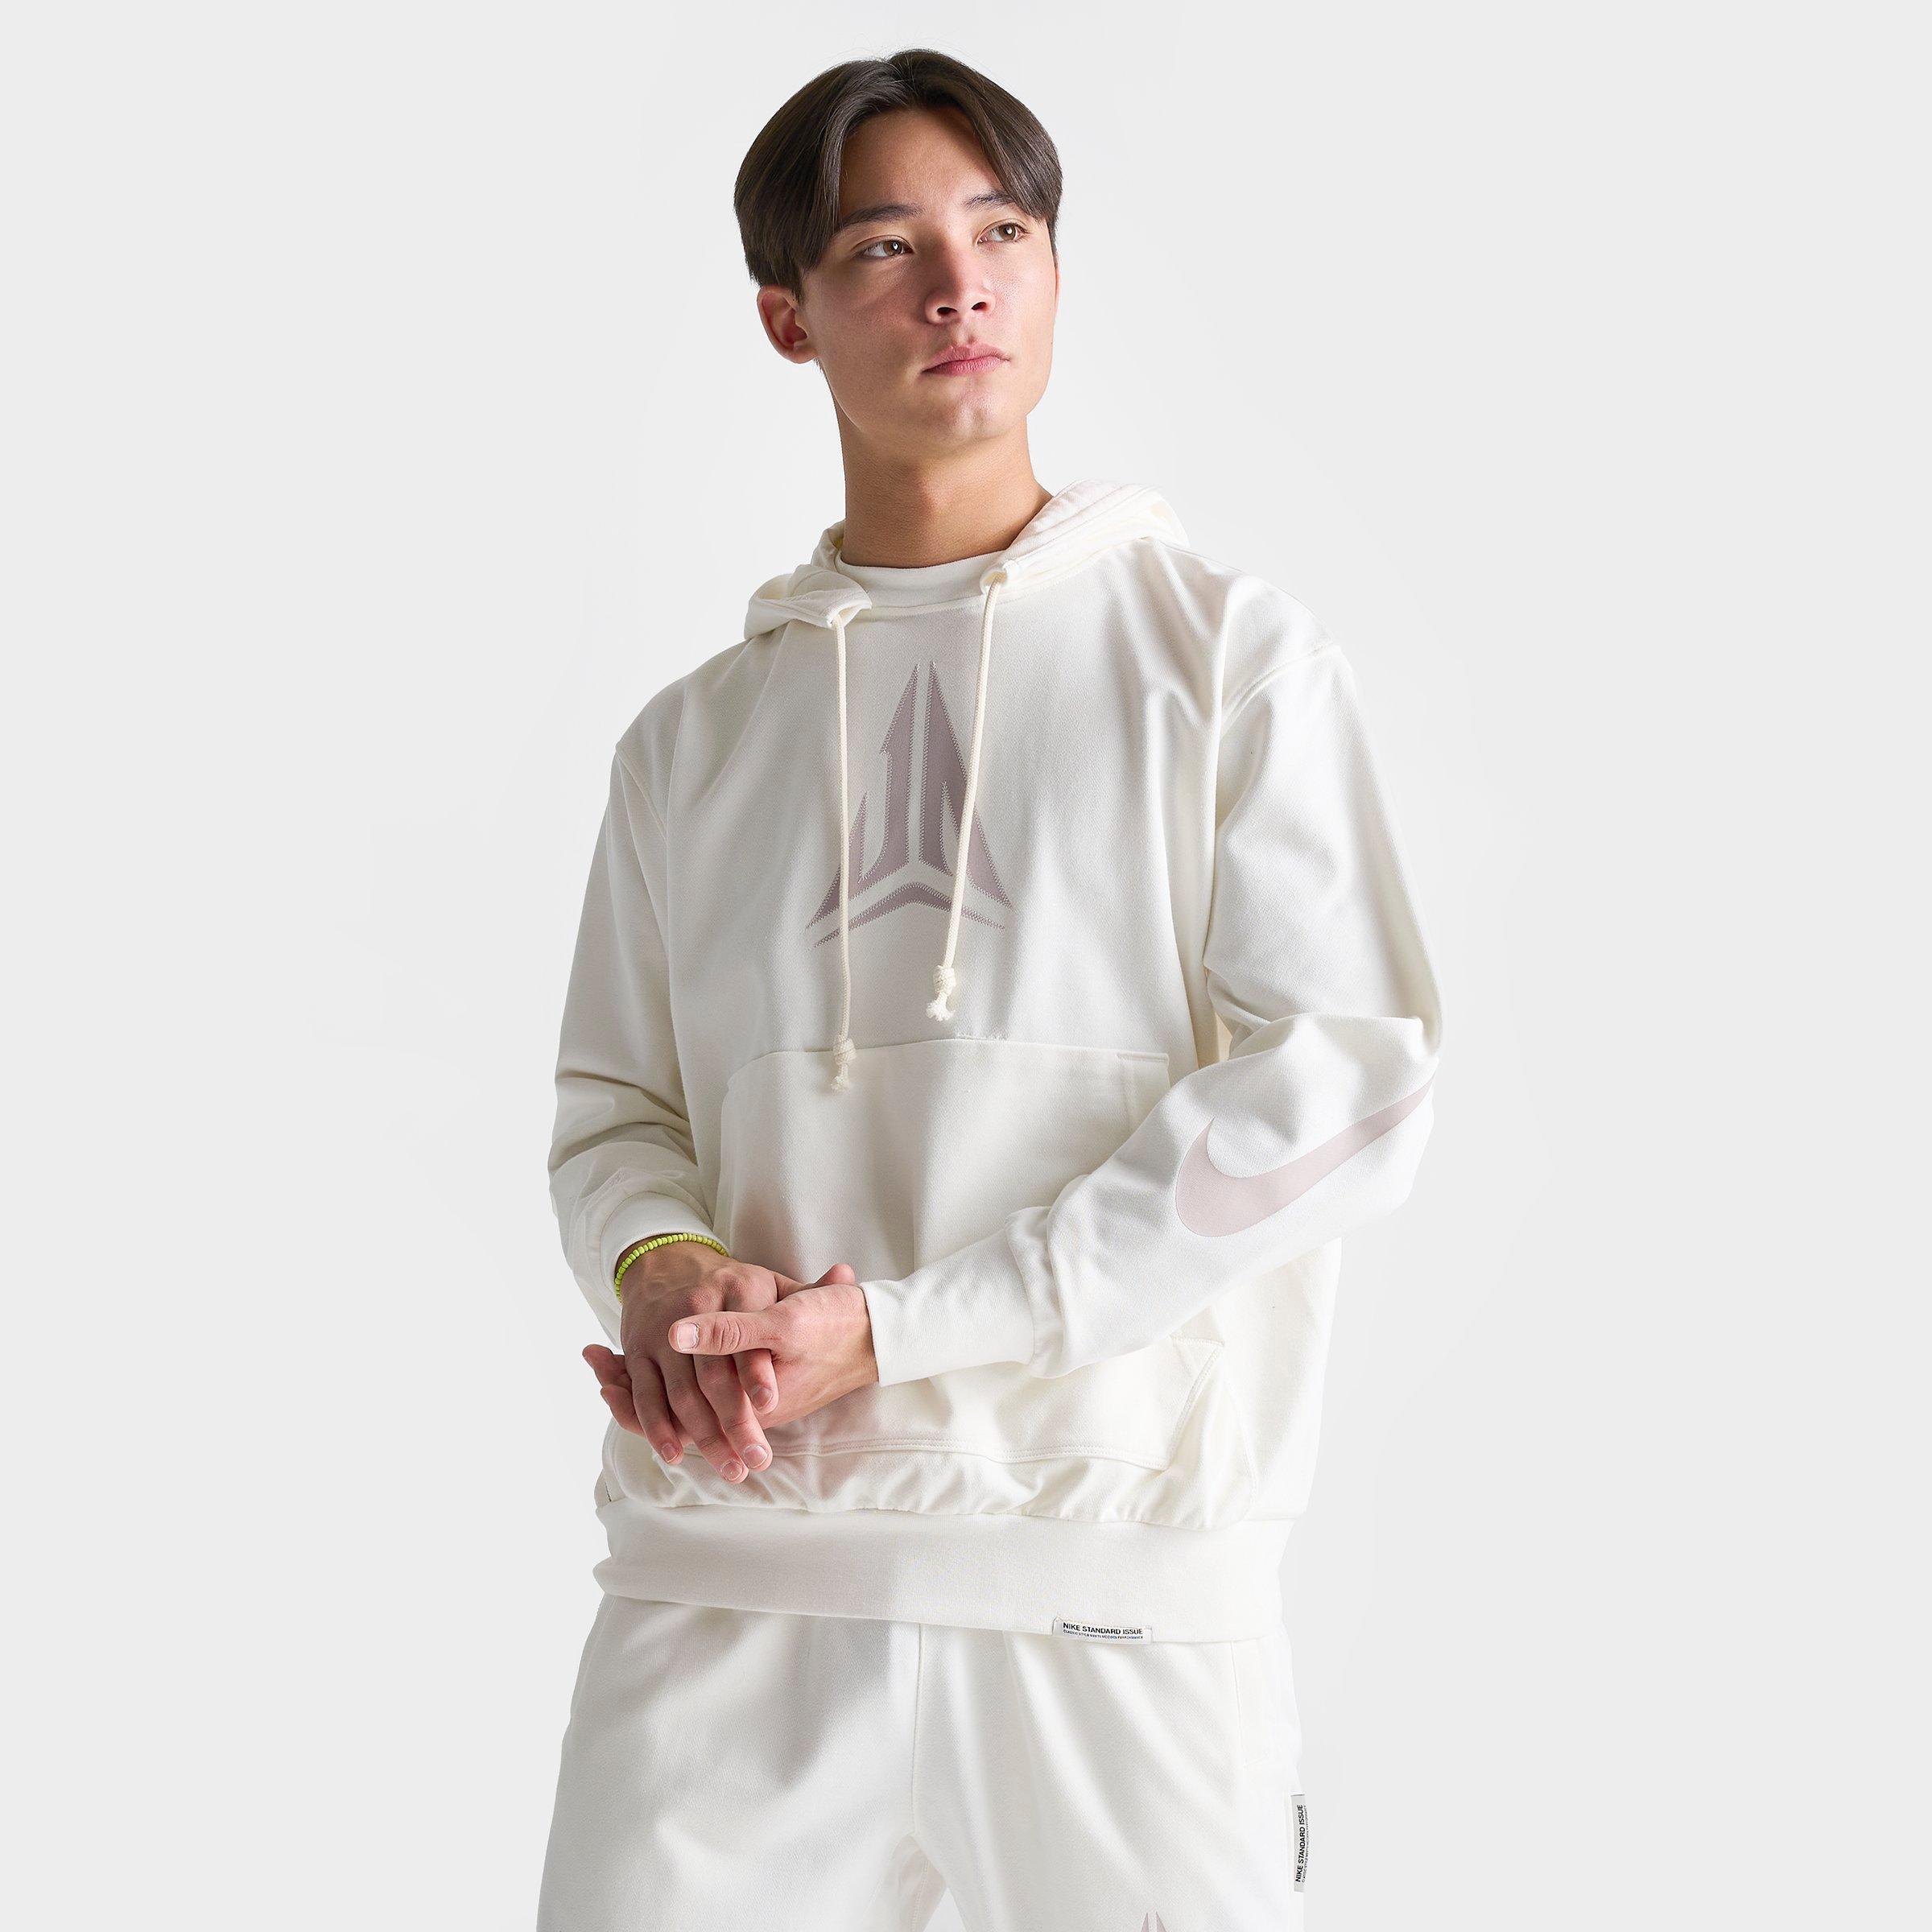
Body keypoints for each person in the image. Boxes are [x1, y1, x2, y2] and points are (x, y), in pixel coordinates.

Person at [535, 47, 1443, 1932]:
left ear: (1050, 268)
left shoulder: (1225, 660)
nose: (961, 287)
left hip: (1108, 1602)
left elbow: (1346, 1089)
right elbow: (616, 1112)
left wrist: (906, 1329)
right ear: (787, 318)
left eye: (1003, 230)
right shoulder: (693, 743)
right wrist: (662, 1266)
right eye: (887, 246)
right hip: (725, 1594)